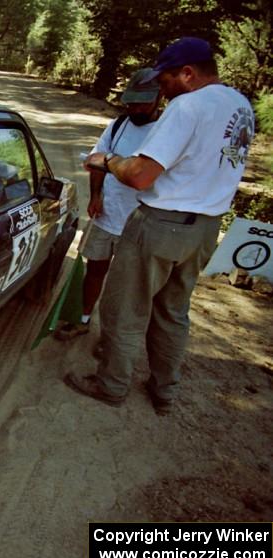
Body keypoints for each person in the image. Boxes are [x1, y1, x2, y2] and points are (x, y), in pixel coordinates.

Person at [64, 37, 255, 414]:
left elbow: (140, 175)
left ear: (187, 73)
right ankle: (164, 390)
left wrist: (108, 160)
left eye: (165, 80)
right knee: (173, 311)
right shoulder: (239, 103)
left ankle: (111, 385)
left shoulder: (187, 106)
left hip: (161, 222)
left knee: (125, 308)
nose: (162, 90)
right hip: (204, 228)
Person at [55, 69, 162, 341]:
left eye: (143, 102)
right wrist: (95, 195)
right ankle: (83, 318)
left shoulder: (165, 131)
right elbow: (96, 160)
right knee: (94, 269)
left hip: (140, 221)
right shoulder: (118, 125)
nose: (136, 108)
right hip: (108, 214)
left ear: (158, 98)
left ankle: (116, 339)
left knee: (127, 285)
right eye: (132, 101)